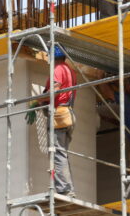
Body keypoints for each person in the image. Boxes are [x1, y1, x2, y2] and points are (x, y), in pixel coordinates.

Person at [34, 46, 77, 197]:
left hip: (59, 116)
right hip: (68, 115)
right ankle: (68, 188)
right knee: (62, 153)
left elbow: (55, 90)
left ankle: (64, 189)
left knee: (57, 153)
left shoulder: (58, 69)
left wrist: (36, 100)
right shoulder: (69, 70)